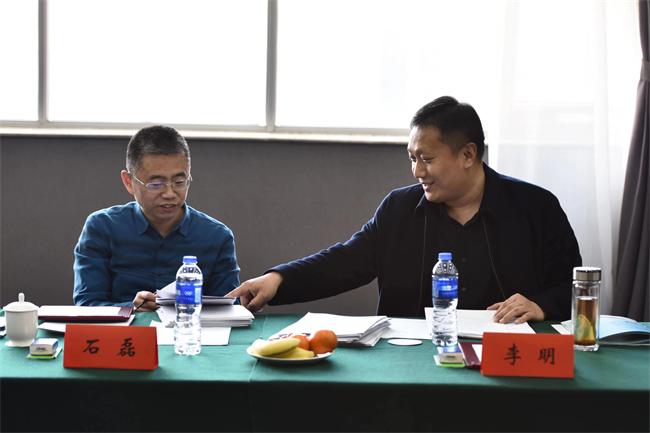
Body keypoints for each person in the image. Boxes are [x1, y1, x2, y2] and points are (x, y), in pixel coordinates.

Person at [228, 96, 581, 323]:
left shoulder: (536, 208)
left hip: (506, 361)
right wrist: (279, 280)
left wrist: (540, 305)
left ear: (468, 155)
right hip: (411, 359)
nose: (417, 171)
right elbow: (345, 262)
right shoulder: (400, 209)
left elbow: (573, 286)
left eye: (426, 158)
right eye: (412, 158)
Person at [73, 125, 240, 309]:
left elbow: (230, 308)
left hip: (191, 326)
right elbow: (87, 305)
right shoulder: (102, 228)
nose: (169, 193)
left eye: (179, 182)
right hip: (125, 328)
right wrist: (131, 308)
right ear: (129, 181)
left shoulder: (217, 236)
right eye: (156, 184)